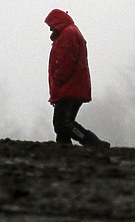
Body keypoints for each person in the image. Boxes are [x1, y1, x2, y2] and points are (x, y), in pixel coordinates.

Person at [45, 9, 109, 148]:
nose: (50, 29)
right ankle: (64, 148)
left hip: (69, 88)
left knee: (63, 122)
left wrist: (57, 81)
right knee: (61, 123)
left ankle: (93, 143)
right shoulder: (71, 32)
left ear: (57, 22)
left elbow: (65, 62)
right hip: (72, 87)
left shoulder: (67, 34)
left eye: (51, 25)